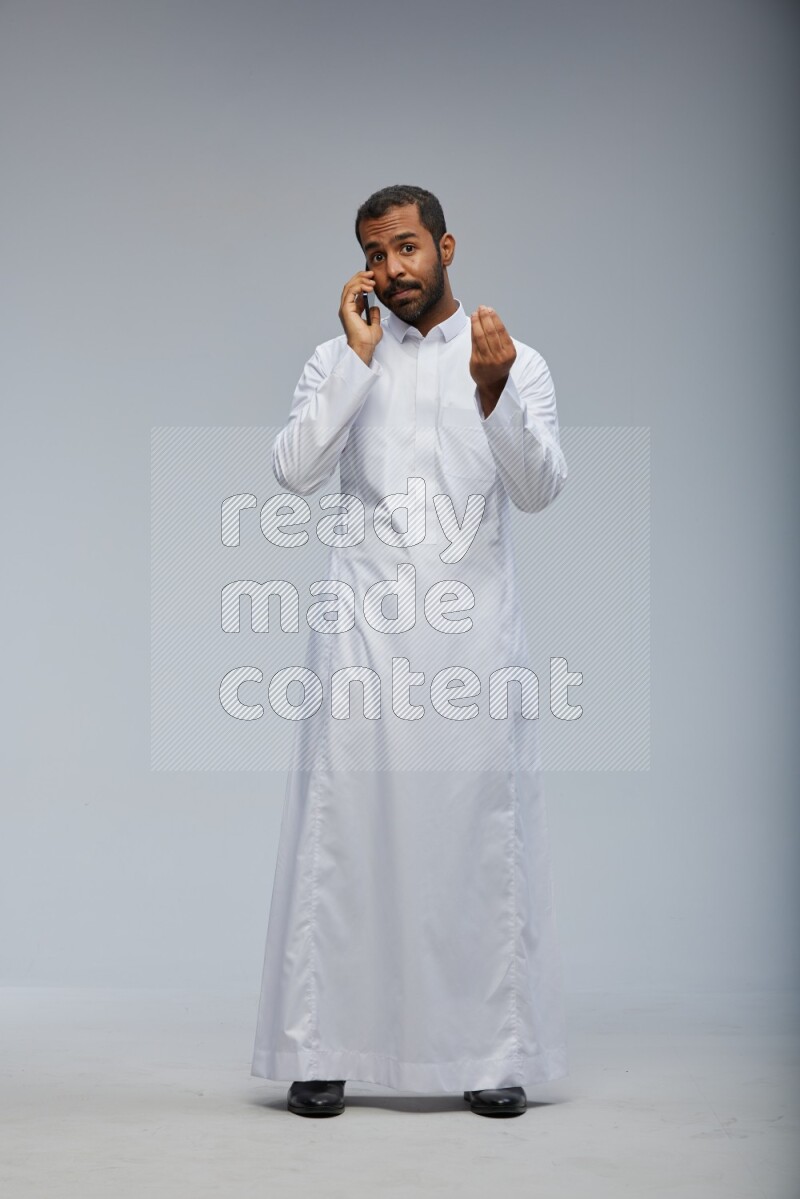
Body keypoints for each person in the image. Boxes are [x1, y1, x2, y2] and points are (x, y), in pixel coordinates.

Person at [251, 184, 569, 1118]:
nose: (391, 270)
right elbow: (295, 471)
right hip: (363, 632)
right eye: (374, 253)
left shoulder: (513, 358)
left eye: (406, 248)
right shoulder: (336, 357)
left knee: (478, 838)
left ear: (446, 246)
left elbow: (542, 488)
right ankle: (322, 1047)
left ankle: (490, 1051)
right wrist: (354, 366)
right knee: (343, 836)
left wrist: (496, 390)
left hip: (473, 632)